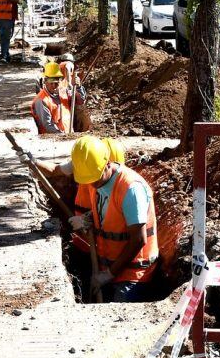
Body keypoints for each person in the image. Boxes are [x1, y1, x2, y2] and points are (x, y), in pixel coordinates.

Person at [69, 135, 158, 303]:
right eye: (88, 180)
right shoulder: (95, 178)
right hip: (110, 267)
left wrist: (109, 274)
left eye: (95, 179)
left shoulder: (131, 189)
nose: (92, 184)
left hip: (132, 275)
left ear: (107, 163)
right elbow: (112, 215)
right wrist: (89, 218)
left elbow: (138, 239)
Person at [31, 62, 82, 133]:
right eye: (51, 83)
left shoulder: (63, 92)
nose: (54, 86)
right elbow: (48, 125)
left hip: (68, 134)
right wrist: (62, 136)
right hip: (53, 140)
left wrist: (78, 87)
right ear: (45, 81)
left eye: (56, 83)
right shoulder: (41, 100)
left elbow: (80, 101)